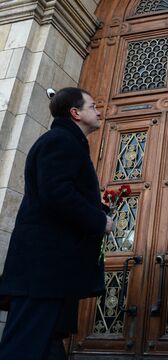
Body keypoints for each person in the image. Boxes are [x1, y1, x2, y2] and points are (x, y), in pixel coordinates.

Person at [0, 87, 113, 359]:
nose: (99, 111)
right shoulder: (59, 141)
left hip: (53, 272)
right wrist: (99, 221)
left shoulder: (67, 142)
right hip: (42, 270)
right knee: (25, 345)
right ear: (75, 113)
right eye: (92, 105)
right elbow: (56, 194)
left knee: (47, 343)